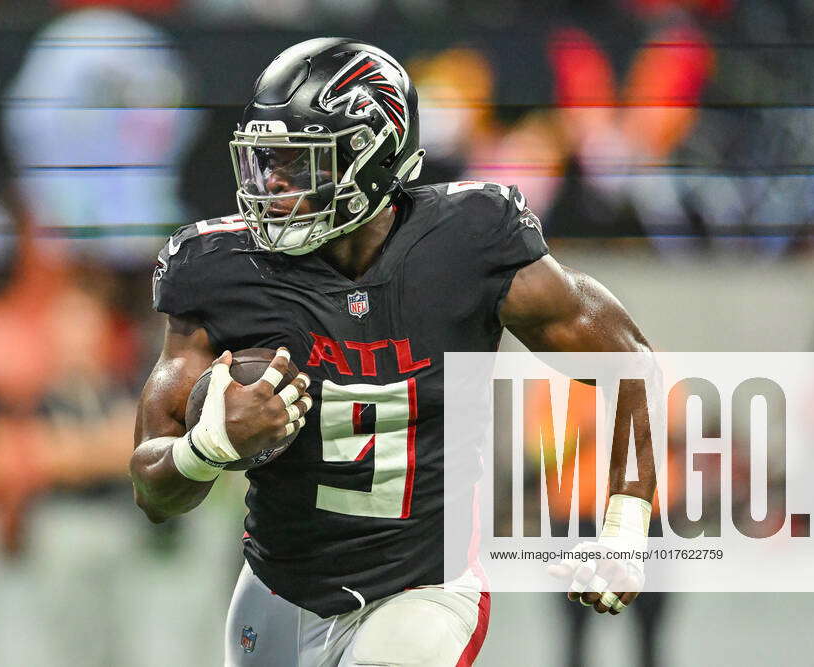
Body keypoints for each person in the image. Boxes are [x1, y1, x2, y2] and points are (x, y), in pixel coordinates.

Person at [130, 38, 656, 666]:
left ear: (372, 158)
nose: (271, 182)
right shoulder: (220, 270)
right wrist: (206, 448)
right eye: (267, 159)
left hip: (421, 589)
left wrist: (625, 528)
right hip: (279, 588)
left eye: (300, 162)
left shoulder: (470, 241)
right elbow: (151, 490)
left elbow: (630, 363)